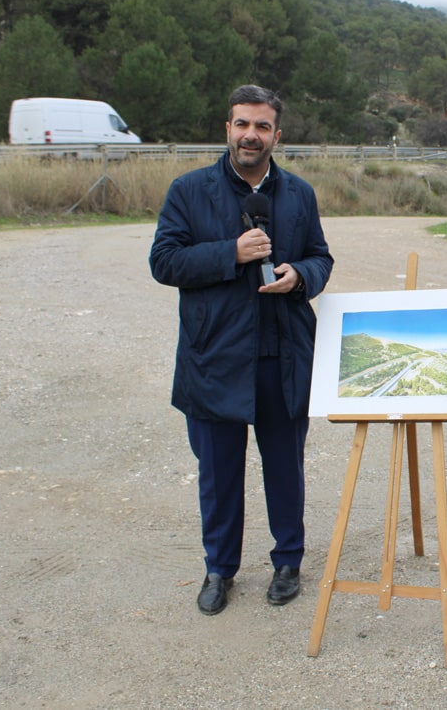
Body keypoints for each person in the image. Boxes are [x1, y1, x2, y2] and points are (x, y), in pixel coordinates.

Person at [149, 84, 333, 615]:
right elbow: (164, 262)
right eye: (241, 124)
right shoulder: (189, 191)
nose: (251, 134)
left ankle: (287, 561)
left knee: (285, 467)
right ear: (227, 129)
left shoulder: (299, 194)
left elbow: (322, 258)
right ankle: (219, 570)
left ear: (278, 134)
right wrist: (230, 252)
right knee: (219, 472)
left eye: (262, 126)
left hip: (283, 354)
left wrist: (300, 274)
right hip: (215, 357)